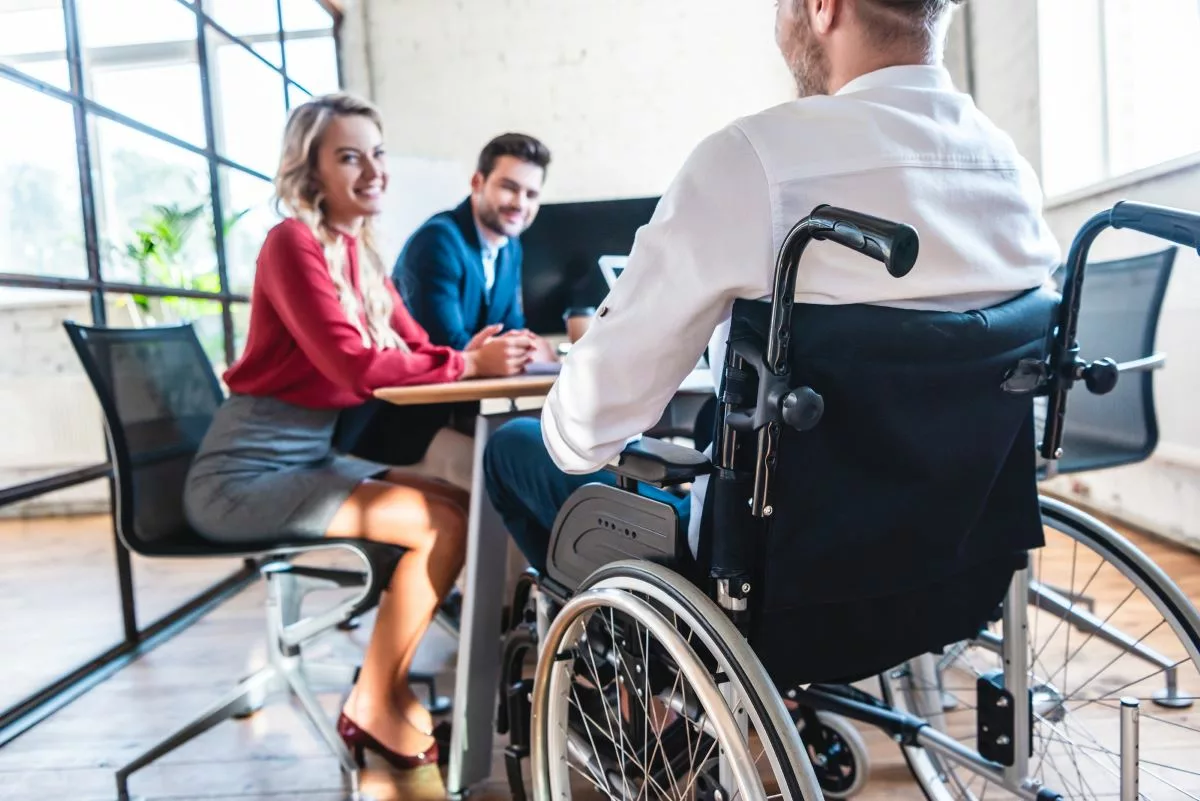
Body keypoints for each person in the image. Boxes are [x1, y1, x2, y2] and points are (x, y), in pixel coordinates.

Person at [483, 0, 1062, 573]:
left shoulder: (756, 159)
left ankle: (619, 659)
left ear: (822, 8)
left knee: (515, 447)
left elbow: (585, 430)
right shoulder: (1011, 172)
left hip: (771, 578)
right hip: (952, 565)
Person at [183, 93, 530, 769]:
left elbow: (416, 344)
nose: (372, 170)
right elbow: (354, 363)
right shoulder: (294, 244)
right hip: (244, 474)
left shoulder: (361, 255)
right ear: (310, 171)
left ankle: (378, 690)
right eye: (349, 156)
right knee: (443, 525)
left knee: (460, 507)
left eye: (377, 152)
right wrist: (465, 362)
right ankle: (375, 698)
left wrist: (467, 355)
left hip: (312, 455)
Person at [393, 133, 557, 362]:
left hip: (464, 395)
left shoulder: (510, 246)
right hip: (418, 394)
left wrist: (528, 347)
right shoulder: (438, 241)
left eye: (531, 194)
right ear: (477, 183)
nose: (520, 203)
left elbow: (512, 331)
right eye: (509, 188)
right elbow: (449, 346)